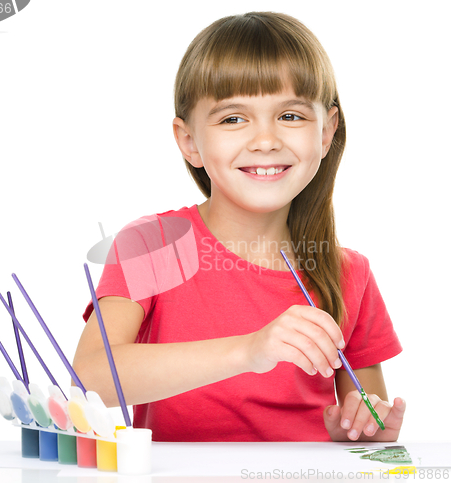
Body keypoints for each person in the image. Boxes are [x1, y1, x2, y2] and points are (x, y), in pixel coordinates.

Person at [73, 11, 405, 442]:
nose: (265, 140)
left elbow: (367, 424)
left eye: (290, 116)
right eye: (233, 118)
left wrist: (361, 426)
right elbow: (89, 376)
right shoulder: (157, 244)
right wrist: (250, 350)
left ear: (326, 133)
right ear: (189, 141)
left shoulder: (348, 272)